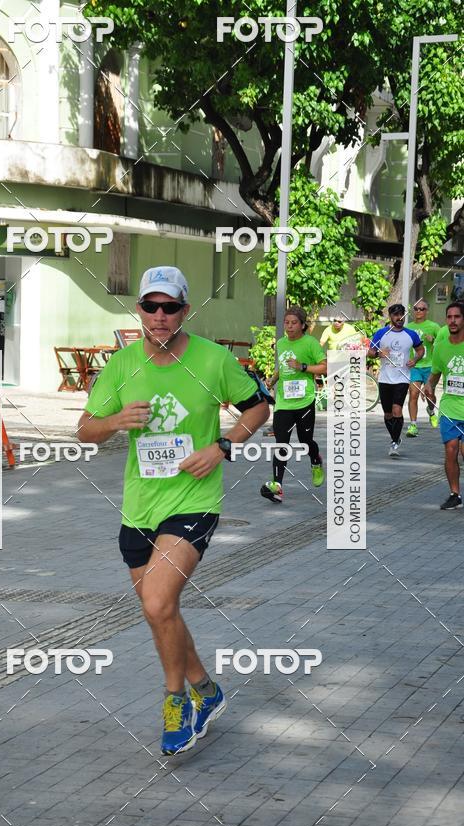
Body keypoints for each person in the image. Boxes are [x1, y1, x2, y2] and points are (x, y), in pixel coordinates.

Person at [77, 266, 270, 755]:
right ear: (139, 309)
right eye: (150, 306)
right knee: (159, 612)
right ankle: (208, 690)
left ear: (185, 311)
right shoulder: (121, 366)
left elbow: (258, 407)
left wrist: (223, 448)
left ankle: (175, 700)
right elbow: (85, 429)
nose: (159, 317)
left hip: (194, 502)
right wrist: (117, 421)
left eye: (170, 307)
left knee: (159, 603)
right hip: (139, 506)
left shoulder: (212, 360)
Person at [260, 306, 326, 504]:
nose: (289, 326)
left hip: (304, 401)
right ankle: (277, 486)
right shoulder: (280, 343)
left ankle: (316, 460)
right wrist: (272, 379)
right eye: (286, 322)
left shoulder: (310, 343)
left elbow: (325, 365)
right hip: (284, 403)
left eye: (293, 323)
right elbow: (282, 366)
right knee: (281, 443)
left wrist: (303, 367)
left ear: (302, 325)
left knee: (306, 441)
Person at [369, 303, 424, 456]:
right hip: (385, 379)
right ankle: (395, 439)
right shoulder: (381, 333)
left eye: (402, 314)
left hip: (402, 378)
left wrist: (416, 359)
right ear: (391, 317)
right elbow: (370, 352)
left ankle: (394, 442)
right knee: (387, 414)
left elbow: (420, 350)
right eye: (396, 315)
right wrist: (379, 354)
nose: (399, 318)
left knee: (397, 410)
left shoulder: (411, 334)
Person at [427, 302, 464, 509]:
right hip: (449, 408)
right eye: (449, 317)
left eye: (457, 317)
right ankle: (455, 494)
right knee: (451, 451)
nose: (452, 321)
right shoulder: (440, 348)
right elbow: (434, 375)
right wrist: (429, 387)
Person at [405, 298, 440, 436]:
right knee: (413, 394)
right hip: (414, 366)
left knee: (430, 394)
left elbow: (444, 344)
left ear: (427, 311)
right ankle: (413, 425)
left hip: (430, 366)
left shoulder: (434, 326)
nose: (418, 311)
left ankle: (431, 411)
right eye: (416, 309)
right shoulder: (408, 327)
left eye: (422, 309)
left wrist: (434, 340)